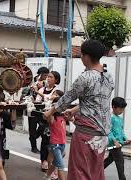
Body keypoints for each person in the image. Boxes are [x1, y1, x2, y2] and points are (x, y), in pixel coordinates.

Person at [44, 40, 115, 180]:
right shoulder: (108, 77)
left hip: (86, 134)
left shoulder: (85, 77)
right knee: (95, 172)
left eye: (82, 54)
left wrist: (50, 112)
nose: (81, 57)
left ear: (87, 56)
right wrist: (75, 109)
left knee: (80, 172)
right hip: (102, 135)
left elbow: (66, 99)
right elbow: (97, 102)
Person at [34, 71, 61, 171]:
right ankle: (43, 161)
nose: (48, 79)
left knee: (52, 140)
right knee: (45, 140)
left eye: (51, 77)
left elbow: (49, 98)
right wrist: (38, 94)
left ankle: (50, 161)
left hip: (53, 118)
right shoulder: (42, 89)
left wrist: (38, 93)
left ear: (56, 80)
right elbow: (37, 102)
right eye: (48, 77)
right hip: (43, 117)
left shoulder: (56, 90)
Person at [24, 67, 50, 154]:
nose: (46, 77)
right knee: (32, 127)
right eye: (45, 75)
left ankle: (34, 137)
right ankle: (33, 146)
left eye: (47, 75)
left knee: (43, 125)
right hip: (32, 107)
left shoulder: (47, 83)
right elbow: (29, 94)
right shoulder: (33, 82)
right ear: (40, 74)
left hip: (43, 107)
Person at [104, 97, 130, 180]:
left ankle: (95, 170)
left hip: (119, 144)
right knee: (120, 162)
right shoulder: (111, 118)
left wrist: (125, 138)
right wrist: (114, 141)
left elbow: (121, 131)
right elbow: (109, 131)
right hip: (114, 144)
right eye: (120, 109)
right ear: (113, 107)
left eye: (123, 109)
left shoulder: (120, 119)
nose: (122, 111)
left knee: (110, 159)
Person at [44, 92, 66, 180]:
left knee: (56, 163)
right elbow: (46, 115)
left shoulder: (63, 116)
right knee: (60, 166)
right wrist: (52, 105)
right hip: (55, 144)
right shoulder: (52, 117)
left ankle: (46, 177)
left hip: (62, 144)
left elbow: (72, 118)